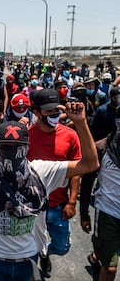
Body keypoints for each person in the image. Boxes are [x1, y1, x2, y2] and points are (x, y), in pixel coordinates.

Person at [0, 91, 99, 281]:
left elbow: (90, 164)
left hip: (27, 259)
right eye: (6, 147)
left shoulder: (41, 170)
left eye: (17, 147)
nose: (12, 152)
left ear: (27, 147)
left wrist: (81, 123)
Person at [28, 89, 82, 278]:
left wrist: (72, 201)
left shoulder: (70, 135)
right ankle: (39, 256)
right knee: (31, 250)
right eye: (48, 111)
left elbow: (77, 172)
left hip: (59, 206)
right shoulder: (26, 136)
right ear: (36, 112)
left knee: (62, 247)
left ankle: (46, 253)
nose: (54, 115)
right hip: (33, 208)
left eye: (56, 110)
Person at [89, 107, 120, 281]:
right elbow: (87, 169)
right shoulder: (106, 146)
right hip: (108, 212)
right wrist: (83, 209)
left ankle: (95, 256)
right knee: (109, 269)